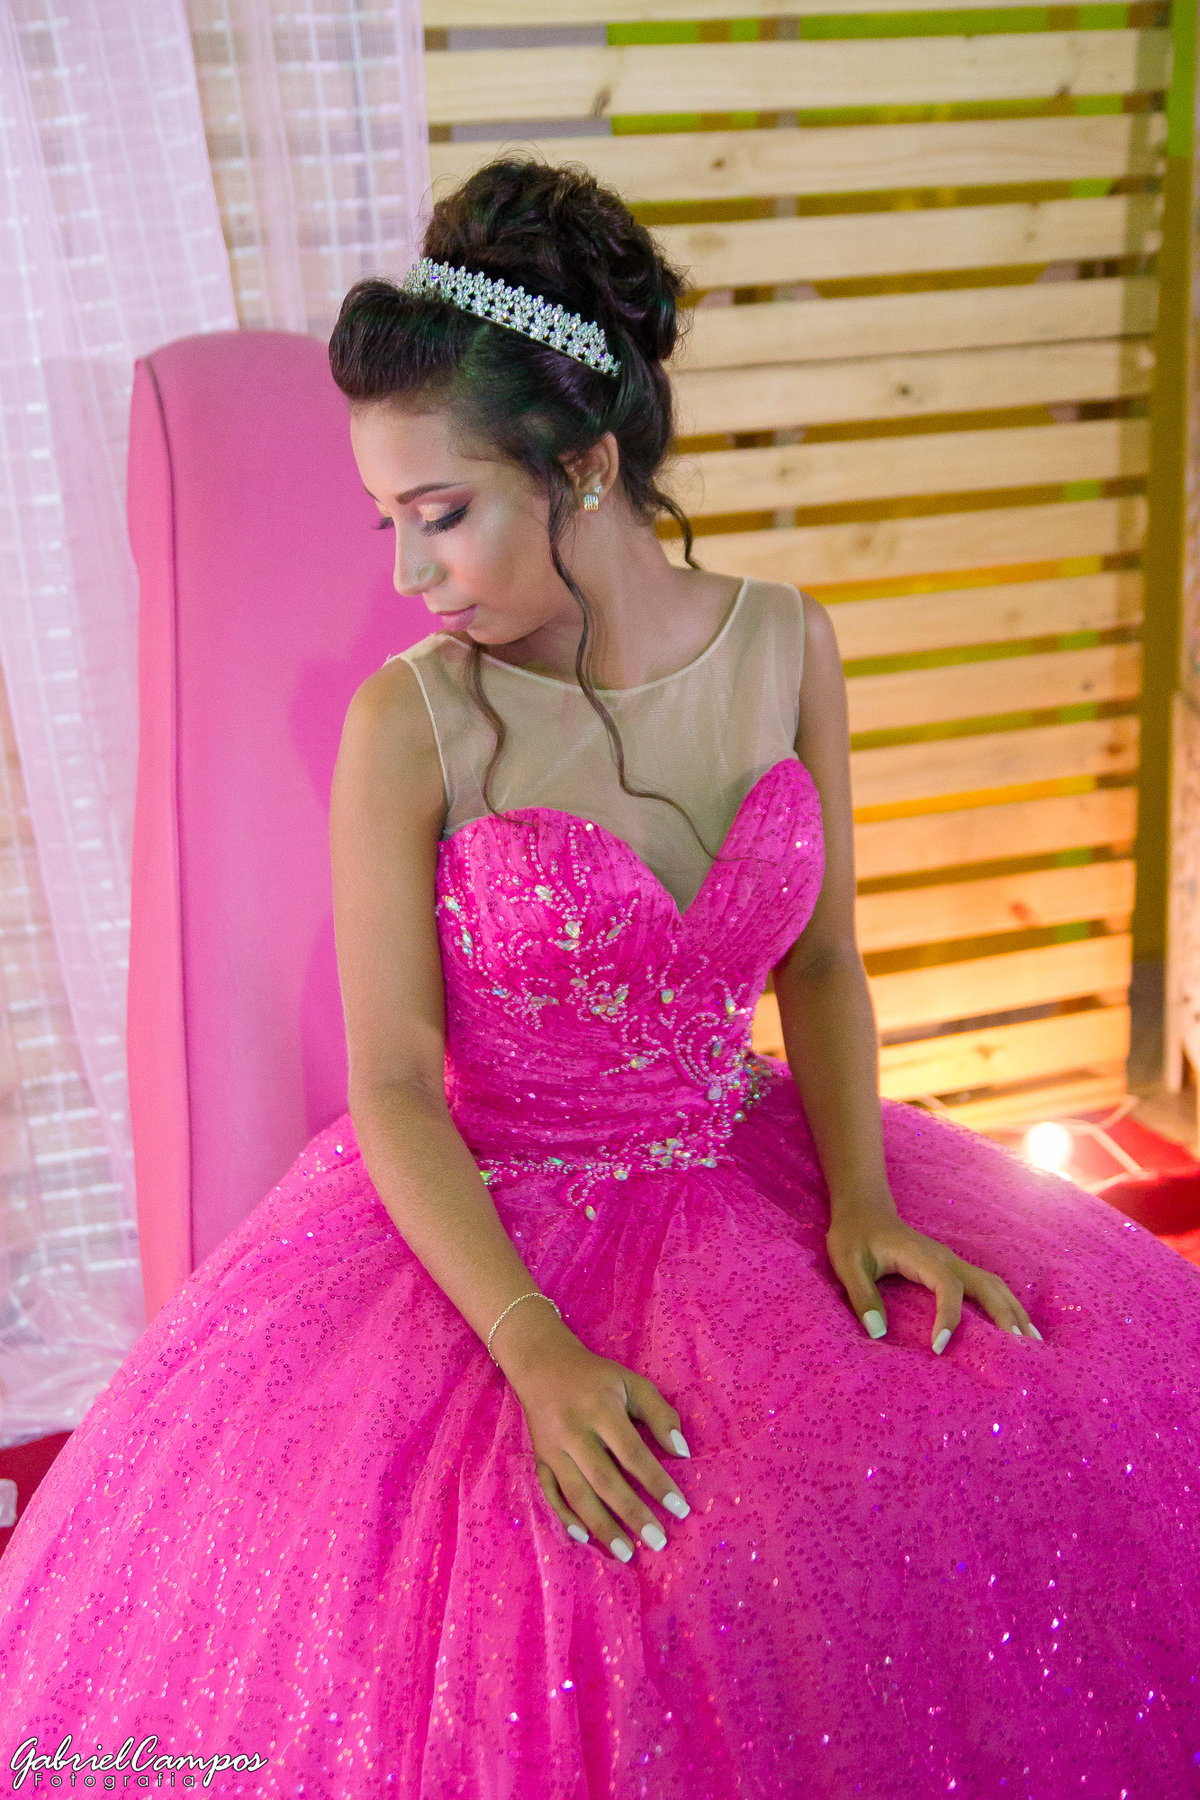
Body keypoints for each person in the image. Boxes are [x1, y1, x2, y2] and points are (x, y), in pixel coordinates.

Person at [0, 156, 1197, 1800]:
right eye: (386, 522)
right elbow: (395, 1084)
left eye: (442, 515)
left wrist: (862, 1197)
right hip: (495, 1217)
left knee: (985, 1460)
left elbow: (824, 962)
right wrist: (536, 1349)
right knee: (628, 1601)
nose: (406, 573)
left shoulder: (786, 645)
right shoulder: (415, 721)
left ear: (585, 464)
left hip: (750, 1166)